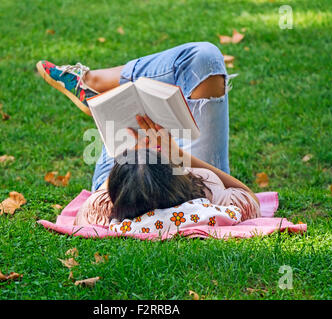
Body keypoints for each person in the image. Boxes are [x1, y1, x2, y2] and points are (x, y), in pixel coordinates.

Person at [36, 42, 260, 227]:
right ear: (186, 179)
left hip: (131, 170)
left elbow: (90, 208)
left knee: (128, 113)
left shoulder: (102, 208)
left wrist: (129, 152)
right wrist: (179, 155)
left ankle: (95, 89)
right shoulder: (208, 195)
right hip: (166, 165)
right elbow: (249, 198)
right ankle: (97, 84)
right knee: (205, 57)